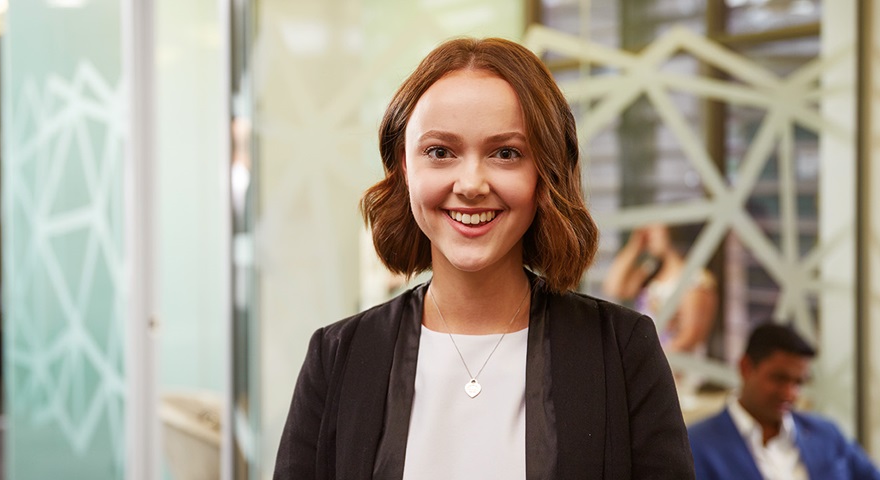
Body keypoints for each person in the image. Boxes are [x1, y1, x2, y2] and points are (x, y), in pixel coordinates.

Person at [274, 37, 694, 479]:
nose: (471, 183)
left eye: (505, 153)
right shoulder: (338, 356)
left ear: (544, 172)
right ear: (404, 166)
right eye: (440, 152)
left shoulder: (622, 352)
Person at [687, 323, 880, 480]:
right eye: (779, 379)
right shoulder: (696, 445)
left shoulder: (826, 434)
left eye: (798, 383)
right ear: (746, 368)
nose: (790, 393)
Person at [602, 223, 718, 355]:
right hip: (651, 359)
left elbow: (690, 336)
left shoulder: (696, 279)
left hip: (674, 367)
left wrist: (650, 361)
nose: (648, 234)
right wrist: (634, 247)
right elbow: (613, 287)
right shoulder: (651, 270)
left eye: (655, 229)